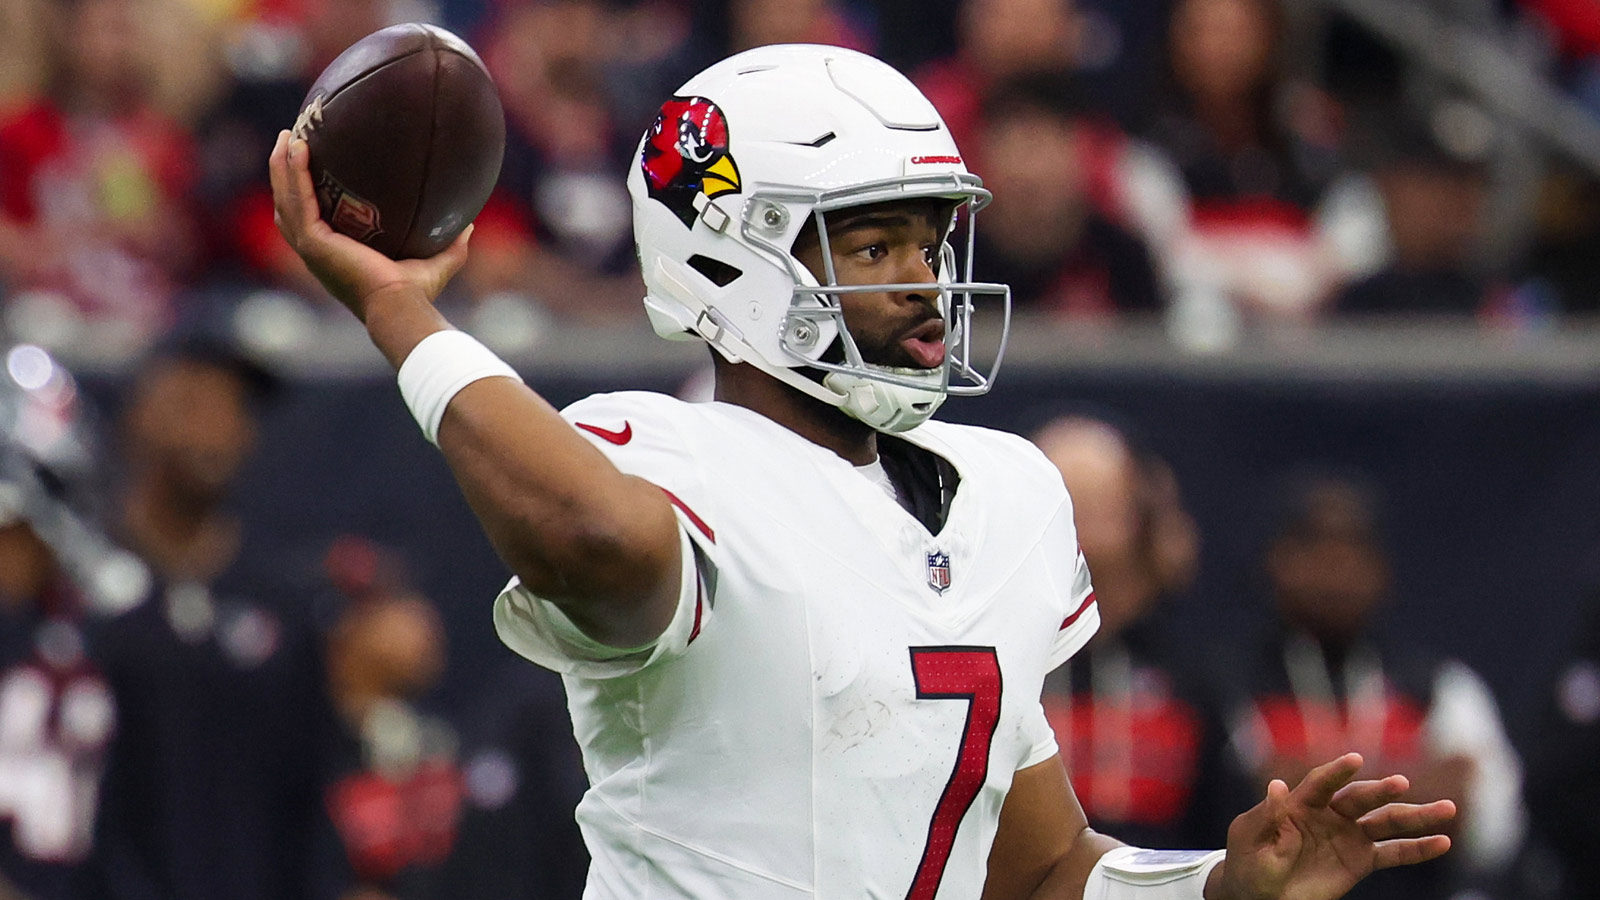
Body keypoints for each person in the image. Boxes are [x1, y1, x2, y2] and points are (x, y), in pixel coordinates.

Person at [269, 43, 1454, 900]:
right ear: (728, 260)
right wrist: (398, 313)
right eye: (875, 243)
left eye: (930, 243)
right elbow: (595, 543)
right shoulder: (667, 455)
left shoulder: (1009, 493)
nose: (924, 284)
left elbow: (1037, 869)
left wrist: (1213, 889)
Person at [1227, 472, 1525, 899]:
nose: (1336, 570)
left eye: (1353, 550)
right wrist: (1415, 775)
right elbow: (1241, 804)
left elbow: (1489, 821)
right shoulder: (1226, 684)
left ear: (1381, 568)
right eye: (1315, 548)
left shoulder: (1440, 684)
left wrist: (1304, 775)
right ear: (1276, 560)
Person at [1032, 417, 1243, 851]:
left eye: (1095, 507)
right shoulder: (993, 663)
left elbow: (1220, 823)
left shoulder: (1194, 675)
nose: (1079, 530)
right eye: (1065, 506)